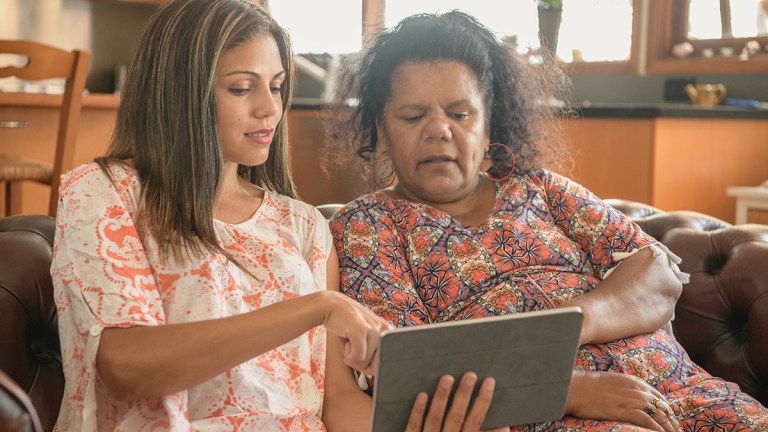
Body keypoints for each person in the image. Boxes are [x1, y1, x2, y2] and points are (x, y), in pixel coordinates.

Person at [51, 1, 505, 431]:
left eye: (276, 85)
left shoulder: (303, 224)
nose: (269, 107)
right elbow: (126, 367)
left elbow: (336, 402)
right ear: (180, 93)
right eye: (241, 88)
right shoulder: (105, 193)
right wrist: (317, 308)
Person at [328, 10, 768, 432]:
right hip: (548, 415)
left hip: (685, 391)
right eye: (413, 115)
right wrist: (569, 389)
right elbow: (407, 365)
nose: (439, 130)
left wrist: (566, 324)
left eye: (460, 114)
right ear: (381, 131)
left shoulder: (543, 189)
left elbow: (658, 273)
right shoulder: (367, 226)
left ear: (487, 129)